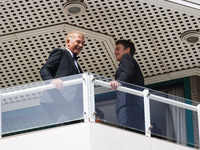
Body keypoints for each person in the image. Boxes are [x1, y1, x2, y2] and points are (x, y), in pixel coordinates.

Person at [39, 30, 85, 123]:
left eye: (83, 43)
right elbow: (44, 70)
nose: (81, 45)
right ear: (68, 42)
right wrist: (52, 81)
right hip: (61, 101)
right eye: (78, 42)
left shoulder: (75, 61)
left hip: (74, 106)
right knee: (64, 128)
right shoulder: (61, 53)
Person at [110, 39, 145, 131]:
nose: (115, 52)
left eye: (118, 49)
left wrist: (119, 81)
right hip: (135, 104)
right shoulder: (132, 62)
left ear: (127, 50)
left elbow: (127, 71)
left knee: (126, 130)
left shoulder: (126, 57)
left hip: (128, 104)